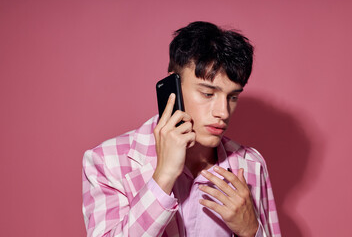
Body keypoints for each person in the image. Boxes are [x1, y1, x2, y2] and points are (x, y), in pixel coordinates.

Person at [82, 21, 281, 237]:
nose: (223, 112)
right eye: (208, 93)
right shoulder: (108, 161)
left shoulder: (250, 164)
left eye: (232, 97)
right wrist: (163, 177)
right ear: (172, 86)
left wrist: (252, 231)